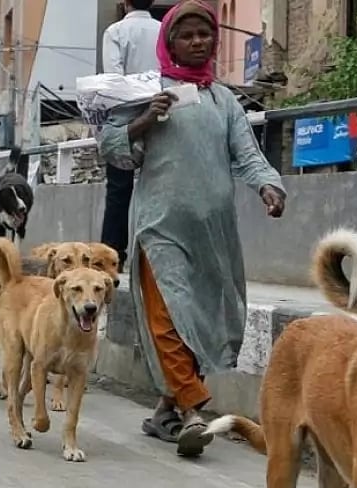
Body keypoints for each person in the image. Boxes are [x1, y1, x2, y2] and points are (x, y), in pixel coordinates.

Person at [98, 0, 287, 457]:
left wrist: (269, 187)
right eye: (187, 35)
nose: (198, 41)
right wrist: (145, 119)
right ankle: (195, 411)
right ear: (169, 43)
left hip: (212, 231)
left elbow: (247, 153)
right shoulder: (146, 91)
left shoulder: (223, 100)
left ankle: (166, 408)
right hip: (158, 224)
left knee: (199, 319)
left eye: (205, 34)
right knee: (168, 317)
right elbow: (110, 145)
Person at [99, 0, 161, 273]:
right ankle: (155, 255)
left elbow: (115, 79)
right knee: (158, 188)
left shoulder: (115, 32)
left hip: (125, 117)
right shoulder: (164, 30)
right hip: (160, 112)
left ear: (125, 3)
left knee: (118, 190)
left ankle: (113, 256)